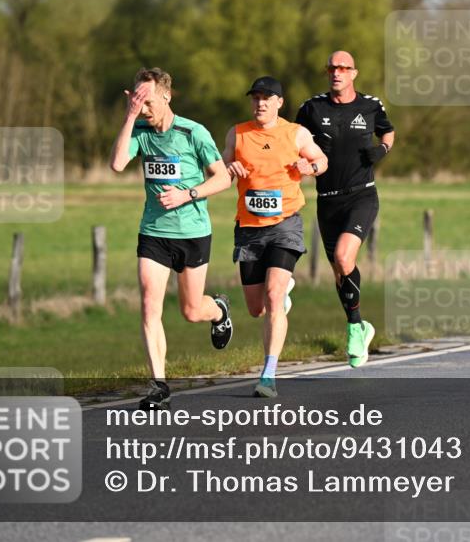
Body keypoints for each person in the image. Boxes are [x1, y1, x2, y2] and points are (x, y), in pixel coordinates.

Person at [109, 67, 232, 411]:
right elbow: (118, 164)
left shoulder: (193, 132)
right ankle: (159, 385)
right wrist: (131, 117)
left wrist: (187, 194)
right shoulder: (141, 131)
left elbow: (222, 178)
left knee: (192, 311)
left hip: (193, 232)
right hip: (154, 233)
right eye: (136, 100)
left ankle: (218, 310)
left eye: (146, 100)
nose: (142, 106)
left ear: (166, 96)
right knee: (150, 304)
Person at [223, 76, 327, 398]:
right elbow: (220, 165)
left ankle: (268, 374)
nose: (260, 103)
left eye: (267, 98)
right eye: (255, 98)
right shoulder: (237, 133)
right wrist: (230, 167)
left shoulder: (295, 132)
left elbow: (321, 160)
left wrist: (309, 167)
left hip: (285, 224)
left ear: (279, 102)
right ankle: (280, 298)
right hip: (249, 228)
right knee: (257, 309)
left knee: (272, 294)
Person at [295, 51, 395, 368]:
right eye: (332, 68)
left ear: (354, 72)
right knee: (340, 270)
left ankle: (353, 329)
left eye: (343, 68)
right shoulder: (311, 108)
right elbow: (293, 140)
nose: (336, 73)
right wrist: (300, 164)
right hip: (327, 200)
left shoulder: (370, 105)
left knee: (343, 256)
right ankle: (360, 324)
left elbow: (388, 132)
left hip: (361, 196)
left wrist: (382, 150)